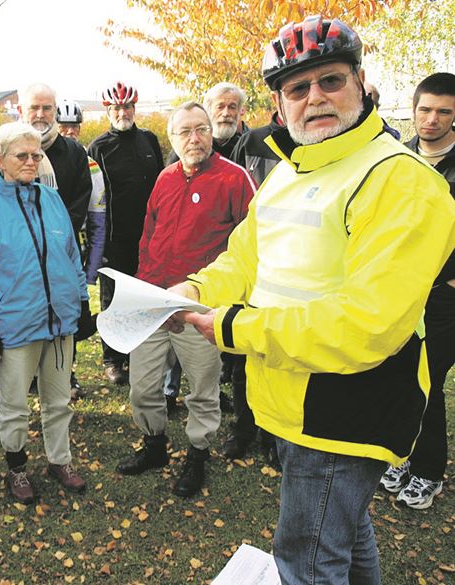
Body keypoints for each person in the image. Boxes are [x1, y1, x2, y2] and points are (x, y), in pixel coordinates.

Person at [166, 16, 455, 583]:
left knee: (308, 559)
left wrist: (231, 328)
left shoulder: (403, 180)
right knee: (346, 532)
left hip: (346, 408)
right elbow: (245, 258)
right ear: (279, 104)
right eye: (298, 88)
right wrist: (198, 287)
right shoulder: (289, 171)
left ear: (361, 82)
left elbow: (366, 323)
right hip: (288, 397)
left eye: (330, 81)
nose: (315, 98)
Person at [117, 101, 255, 497]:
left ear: (211, 132)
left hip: (200, 305)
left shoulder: (234, 178)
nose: (193, 139)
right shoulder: (164, 179)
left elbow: (251, 244)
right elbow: (149, 236)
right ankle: (154, 445)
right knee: (143, 387)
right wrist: (145, 288)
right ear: (171, 138)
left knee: (202, 388)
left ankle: (198, 453)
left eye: (201, 129)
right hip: (154, 302)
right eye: (184, 132)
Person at [0, 122, 90, 503]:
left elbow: (71, 252)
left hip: (59, 321)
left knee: (58, 399)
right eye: (23, 155)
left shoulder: (51, 199)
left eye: (37, 155)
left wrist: (82, 300)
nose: (32, 161)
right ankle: (16, 468)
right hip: (16, 324)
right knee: (14, 402)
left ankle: (59, 460)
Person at [380, 72, 455, 510]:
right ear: (413, 110)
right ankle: (402, 456)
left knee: (429, 382)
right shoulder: (399, 158)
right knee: (401, 375)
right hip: (400, 289)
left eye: (443, 111)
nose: (432, 119)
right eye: (425, 109)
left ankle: (429, 472)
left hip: (442, 297)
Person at [88, 81, 164, 386]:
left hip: (147, 237)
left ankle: (136, 354)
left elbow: (161, 186)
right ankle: (113, 358)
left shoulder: (149, 140)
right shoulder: (98, 147)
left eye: (127, 107)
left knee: (143, 297)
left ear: (135, 108)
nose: (123, 112)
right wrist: (98, 245)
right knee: (113, 302)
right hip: (113, 240)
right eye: (117, 108)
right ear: (108, 110)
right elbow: (94, 198)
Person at [222, 112, 284, 463]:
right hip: (252, 261)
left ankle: (273, 438)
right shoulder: (255, 139)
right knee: (247, 362)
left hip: (289, 272)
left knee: (278, 355)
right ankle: (244, 428)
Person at [56, 98, 106, 400]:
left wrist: (91, 272)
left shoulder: (90, 165)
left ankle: (69, 374)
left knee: (71, 319)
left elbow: (99, 221)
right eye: (63, 128)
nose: (69, 134)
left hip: (75, 253)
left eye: (73, 128)